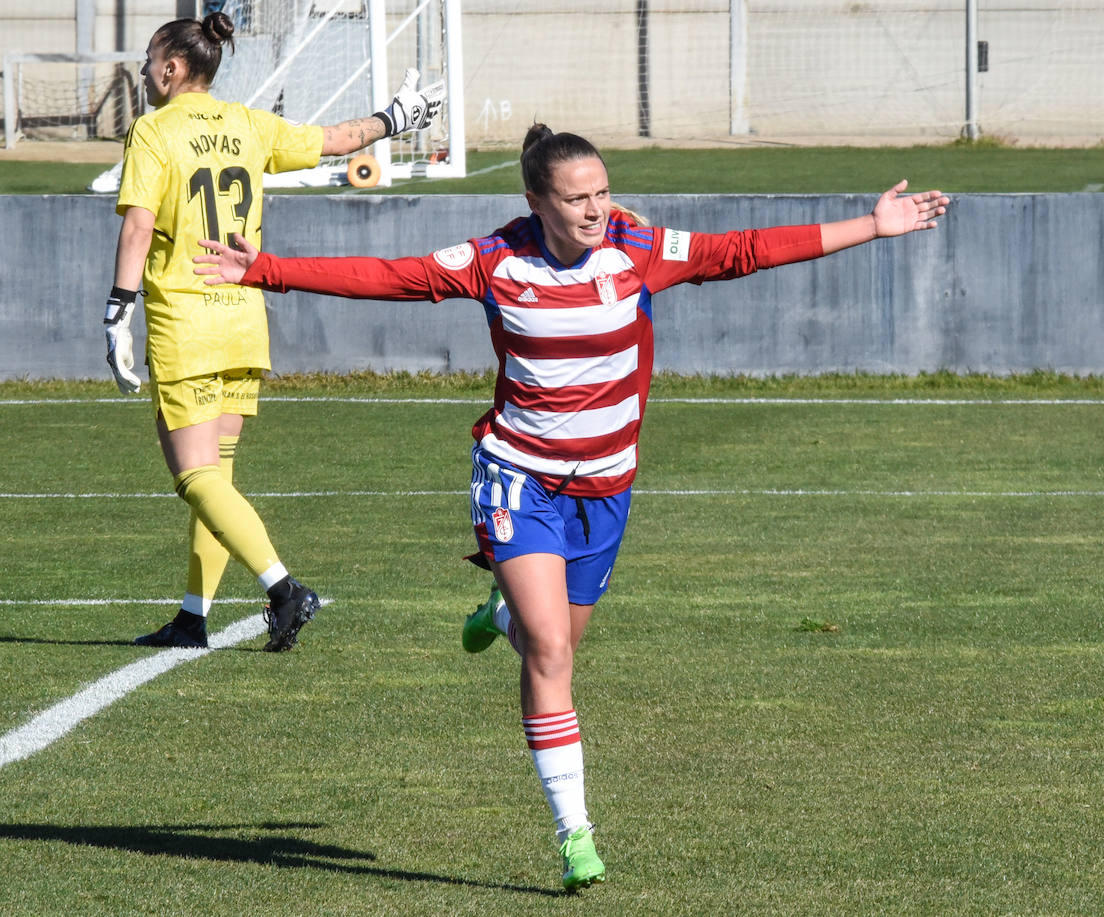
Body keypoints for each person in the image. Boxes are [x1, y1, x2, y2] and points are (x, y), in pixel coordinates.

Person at [193, 123, 949, 889]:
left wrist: (872, 226)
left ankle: (502, 614)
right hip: (518, 478)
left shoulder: (637, 245)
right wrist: (268, 271)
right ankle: (574, 832)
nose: (595, 210)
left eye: (601, 192)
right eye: (576, 198)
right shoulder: (496, 260)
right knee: (551, 651)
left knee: (549, 642)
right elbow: (393, 275)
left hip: (606, 491)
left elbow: (741, 251)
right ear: (536, 201)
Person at [104, 12, 443, 651]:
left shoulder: (152, 131)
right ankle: (192, 617)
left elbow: (137, 228)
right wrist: (396, 119)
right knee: (219, 477)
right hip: (243, 317)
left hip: (187, 319)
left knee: (194, 477)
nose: (147, 71)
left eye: (151, 61)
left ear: (173, 68)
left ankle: (283, 588)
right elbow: (338, 139)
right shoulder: (249, 123)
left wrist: (118, 309)